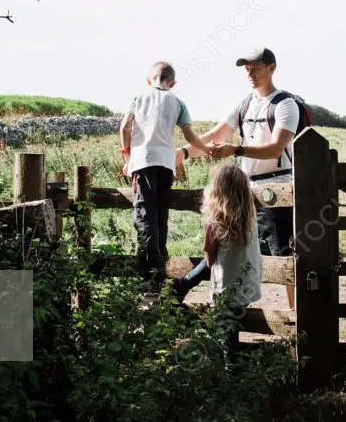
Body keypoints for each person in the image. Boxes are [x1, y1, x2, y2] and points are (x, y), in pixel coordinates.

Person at [171, 47, 299, 306]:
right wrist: (183, 153)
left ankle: (293, 317)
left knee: (283, 252)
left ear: (272, 68)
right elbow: (215, 136)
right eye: (247, 70)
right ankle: (184, 285)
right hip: (243, 189)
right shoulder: (244, 104)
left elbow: (276, 147)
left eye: (256, 68)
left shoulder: (285, 105)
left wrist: (236, 149)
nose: (250, 74)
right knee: (226, 243)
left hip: (277, 188)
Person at [120, 61, 212, 290]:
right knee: (160, 215)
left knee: (144, 215)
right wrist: (208, 148)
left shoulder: (138, 97)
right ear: (173, 83)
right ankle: (160, 262)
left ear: (148, 79)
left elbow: (124, 128)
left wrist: (126, 158)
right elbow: (190, 137)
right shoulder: (178, 102)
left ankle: (153, 274)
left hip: (144, 161)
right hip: (167, 164)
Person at [198, 163, 262, 365]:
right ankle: (235, 369)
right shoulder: (250, 218)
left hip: (225, 286)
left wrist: (212, 264)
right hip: (249, 284)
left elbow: (209, 255)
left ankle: (230, 373)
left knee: (227, 333)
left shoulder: (214, 221)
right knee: (234, 322)